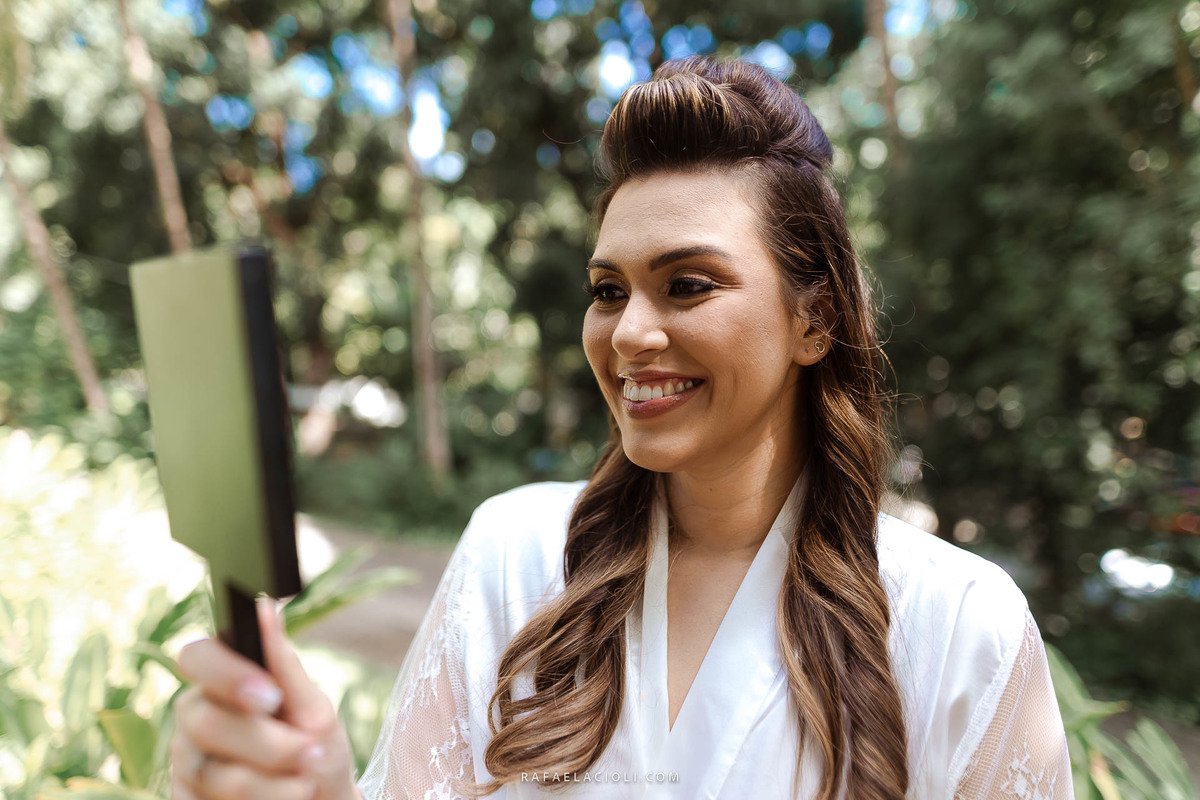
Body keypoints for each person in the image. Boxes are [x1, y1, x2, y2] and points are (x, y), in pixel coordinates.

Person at [171, 56, 1073, 800]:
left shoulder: (960, 625)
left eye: (688, 284)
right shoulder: (515, 556)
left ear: (815, 319)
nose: (630, 332)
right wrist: (314, 786)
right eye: (609, 291)